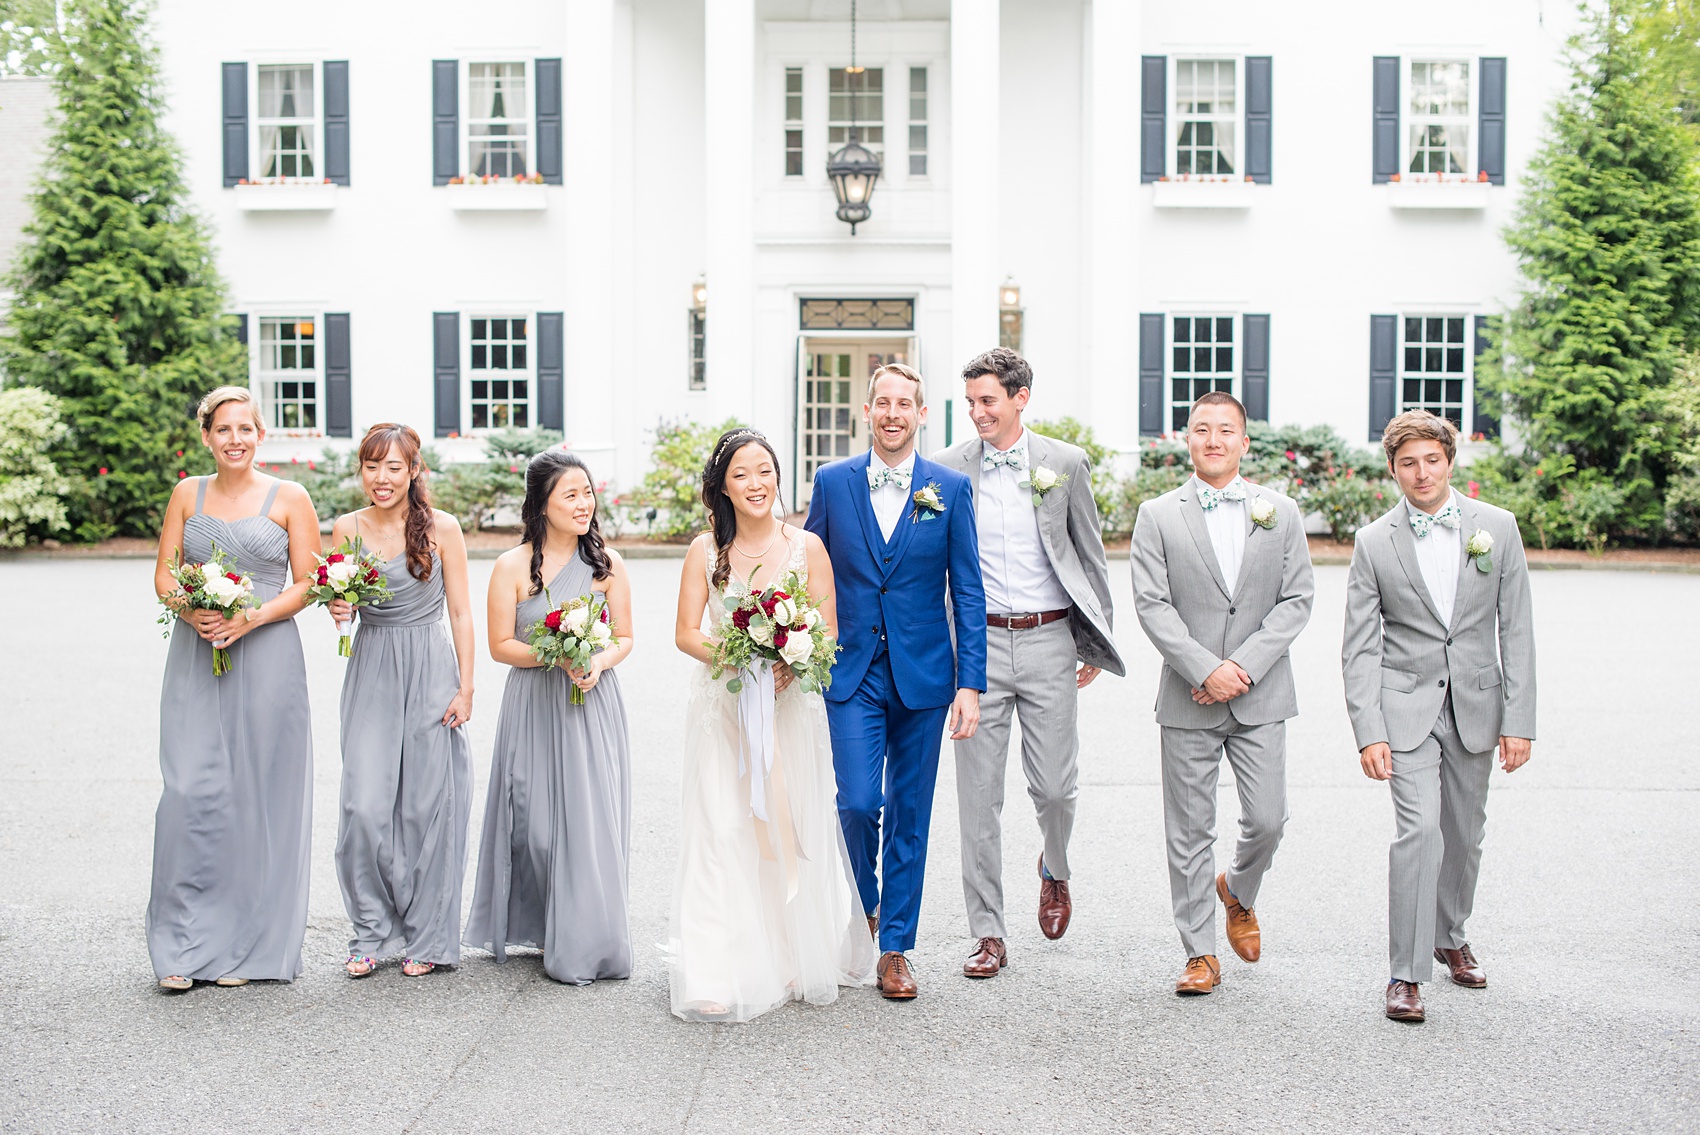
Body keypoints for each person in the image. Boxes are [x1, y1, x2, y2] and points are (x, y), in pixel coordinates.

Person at [665, 428, 877, 1022]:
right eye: (741, 475)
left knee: (783, 827)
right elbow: (685, 632)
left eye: (765, 471)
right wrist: (733, 658)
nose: (755, 484)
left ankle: (786, 953)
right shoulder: (703, 551)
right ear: (723, 488)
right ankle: (712, 968)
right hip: (722, 712)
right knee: (719, 827)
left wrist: (789, 660)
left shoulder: (806, 547)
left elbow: (829, 629)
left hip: (785, 713)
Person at [935, 347, 1123, 980]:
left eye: (988, 400)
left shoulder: (1064, 464)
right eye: (971, 403)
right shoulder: (946, 469)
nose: (978, 413)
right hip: (978, 649)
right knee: (978, 799)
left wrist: (1096, 638)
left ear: (1020, 398)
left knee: (1054, 788)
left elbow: (1089, 556)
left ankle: (1055, 864)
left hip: (1049, 641)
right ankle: (988, 933)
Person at [1342, 410, 1535, 1024]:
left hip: (1478, 704)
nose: (1421, 473)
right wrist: (1368, 730)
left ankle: (1450, 934)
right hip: (1406, 711)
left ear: (1450, 462)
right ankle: (1406, 972)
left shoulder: (1497, 529)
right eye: (1408, 464)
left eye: (1432, 460)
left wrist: (1519, 719)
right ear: (1393, 471)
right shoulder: (1374, 542)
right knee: (1419, 832)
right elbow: (1359, 645)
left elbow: (1518, 629)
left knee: (1465, 835)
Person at [804, 362, 987, 1000]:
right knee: (857, 803)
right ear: (867, 411)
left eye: (903, 404)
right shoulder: (832, 484)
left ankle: (895, 948)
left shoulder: (950, 488)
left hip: (925, 677)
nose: (891, 414)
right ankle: (870, 904)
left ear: (920, 414)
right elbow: (808, 572)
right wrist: (794, 645)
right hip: (850, 672)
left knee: (910, 811)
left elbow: (967, 589)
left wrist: (971, 683)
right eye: (881, 402)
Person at [1131, 391, 1315, 996]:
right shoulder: (1158, 515)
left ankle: (1238, 890)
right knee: (1188, 829)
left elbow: (1297, 599)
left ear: (1244, 441)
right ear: (1187, 438)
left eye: (1226, 431)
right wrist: (1204, 669)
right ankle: (1200, 954)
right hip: (1189, 694)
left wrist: (1242, 667)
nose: (1214, 440)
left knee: (1267, 818)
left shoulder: (1279, 511)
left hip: (1261, 695)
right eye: (1202, 429)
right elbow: (1152, 605)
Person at [147, 386, 320, 990]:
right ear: (206, 437)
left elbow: (309, 582)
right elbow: (166, 572)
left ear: (260, 434)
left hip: (268, 654)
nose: (235, 439)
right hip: (197, 654)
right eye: (223, 430)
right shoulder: (186, 494)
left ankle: (247, 950)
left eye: (245, 428)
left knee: (256, 797)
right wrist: (192, 612)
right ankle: (184, 947)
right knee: (191, 791)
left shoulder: (291, 497)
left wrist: (253, 615)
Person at [464, 450, 635, 984]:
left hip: (592, 702)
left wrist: (598, 660)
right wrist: (556, 654)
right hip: (534, 704)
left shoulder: (608, 564)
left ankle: (588, 941)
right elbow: (499, 645)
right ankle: (539, 924)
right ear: (542, 503)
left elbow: (626, 637)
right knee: (535, 824)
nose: (584, 504)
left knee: (587, 824)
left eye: (588, 493)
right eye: (571, 494)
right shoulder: (512, 566)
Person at [326, 424, 475, 979]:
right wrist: (337, 610)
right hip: (372, 668)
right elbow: (340, 602)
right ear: (361, 471)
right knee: (364, 806)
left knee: (424, 806)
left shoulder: (443, 528)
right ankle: (370, 930)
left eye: (394, 467)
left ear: (414, 471)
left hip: (431, 666)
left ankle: (428, 935)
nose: (381, 478)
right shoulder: (347, 528)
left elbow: (460, 611)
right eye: (371, 466)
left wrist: (466, 686)